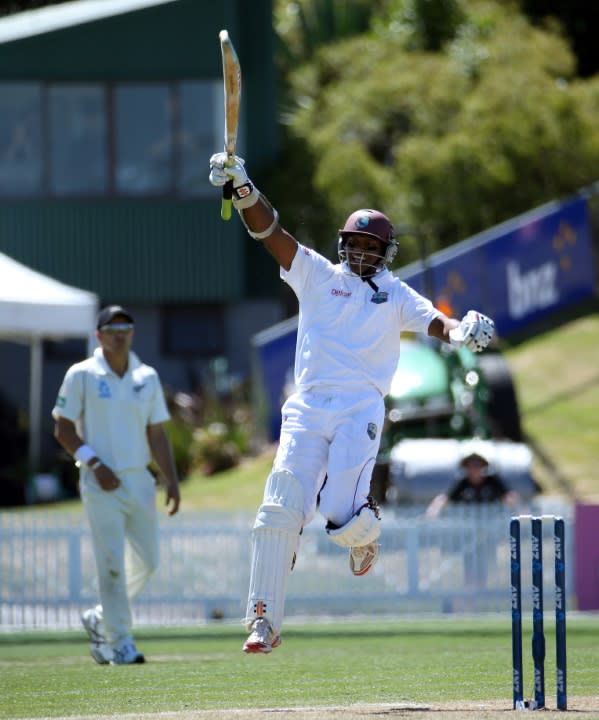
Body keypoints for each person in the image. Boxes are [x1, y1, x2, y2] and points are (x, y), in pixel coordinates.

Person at [208, 152, 495, 654]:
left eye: (371, 245)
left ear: (386, 252)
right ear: (343, 246)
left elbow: (437, 324)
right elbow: (272, 234)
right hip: (308, 406)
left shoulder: (395, 293)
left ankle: (364, 532)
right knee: (279, 509)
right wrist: (244, 187)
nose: (361, 251)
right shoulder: (318, 276)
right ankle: (263, 620)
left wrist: (462, 330)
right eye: (354, 243)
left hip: (360, 409)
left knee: (339, 513)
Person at [52, 305, 180, 664]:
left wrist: (171, 479)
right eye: (112, 328)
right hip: (99, 481)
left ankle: (100, 617)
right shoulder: (82, 375)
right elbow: (62, 428)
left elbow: (156, 433)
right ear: (99, 336)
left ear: (133, 333)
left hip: (139, 479)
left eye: (125, 327)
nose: (119, 334)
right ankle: (120, 642)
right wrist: (94, 463)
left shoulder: (147, 376)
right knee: (111, 564)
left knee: (149, 561)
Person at [425, 445, 519, 595]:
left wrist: (519, 512)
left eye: (477, 466)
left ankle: (485, 594)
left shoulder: (493, 482)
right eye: (470, 466)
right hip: (469, 536)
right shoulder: (462, 484)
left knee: (487, 564)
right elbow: (444, 499)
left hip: (489, 534)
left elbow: (510, 497)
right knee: (469, 565)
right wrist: (433, 512)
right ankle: (471, 595)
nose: (474, 470)